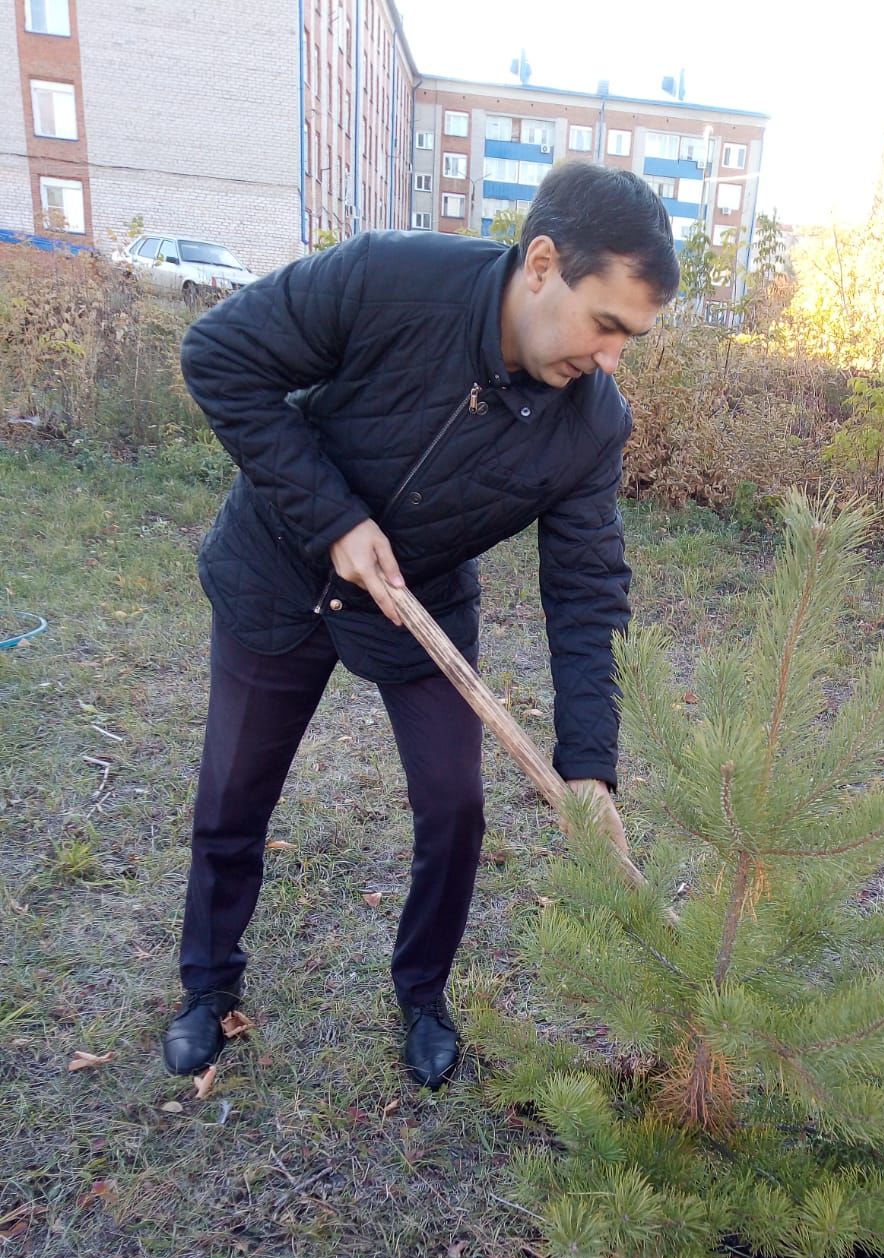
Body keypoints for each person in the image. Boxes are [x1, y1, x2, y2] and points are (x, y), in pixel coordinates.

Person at [162, 162, 680, 1089]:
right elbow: (219, 356)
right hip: (277, 567)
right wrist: (334, 520)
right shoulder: (389, 277)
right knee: (233, 792)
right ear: (543, 263)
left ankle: (423, 996)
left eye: (630, 340)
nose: (610, 359)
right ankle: (208, 985)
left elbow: (588, 590)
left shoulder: (590, 426)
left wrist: (590, 765)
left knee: (455, 807)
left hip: (418, 602)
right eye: (606, 325)